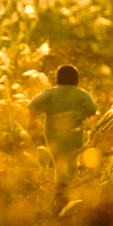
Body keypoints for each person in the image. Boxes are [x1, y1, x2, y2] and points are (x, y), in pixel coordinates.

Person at [27, 64, 97, 215]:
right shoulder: (80, 94)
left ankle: (62, 196)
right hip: (74, 137)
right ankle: (64, 198)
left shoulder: (50, 93)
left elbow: (33, 105)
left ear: (57, 79)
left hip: (54, 137)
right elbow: (93, 109)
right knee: (71, 165)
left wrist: (32, 121)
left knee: (60, 164)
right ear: (76, 80)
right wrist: (81, 116)